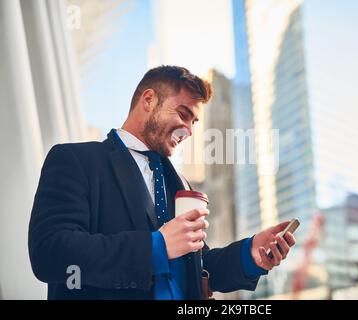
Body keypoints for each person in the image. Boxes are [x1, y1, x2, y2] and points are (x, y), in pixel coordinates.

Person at [28, 65, 296, 300]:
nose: (189, 131)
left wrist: (250, 254)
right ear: (148, 100)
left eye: (194, 122)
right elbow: (50, 253)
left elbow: (196, 266)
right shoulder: (76, 160)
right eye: (183, 114)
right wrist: (156, 247)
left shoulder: (180, 183)